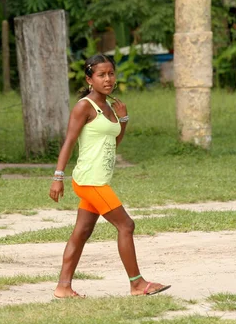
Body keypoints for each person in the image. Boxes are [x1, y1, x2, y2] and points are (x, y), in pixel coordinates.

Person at [49, 54, 171, 298]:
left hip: (98, 180)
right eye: (101, 75)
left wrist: (123, 119)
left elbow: (113, 142)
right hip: (89, 180)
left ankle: (63, 286)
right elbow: (69, 142)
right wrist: (57, 176)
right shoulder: (84, 106)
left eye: (111, 74)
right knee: (126, 225)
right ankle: (137, 283)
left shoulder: (111, 106)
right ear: (89, 79)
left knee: (81, 232)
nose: (108, 79)